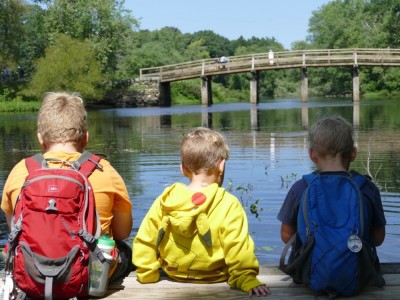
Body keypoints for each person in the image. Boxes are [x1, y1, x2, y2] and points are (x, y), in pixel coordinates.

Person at [1, 91, 134, 282]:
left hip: (32, 275)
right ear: (86, 137)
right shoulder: (106, 171)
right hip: (89, 278)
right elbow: (122, 232)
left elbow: (14, 227)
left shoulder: (19, 171)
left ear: (41, 138)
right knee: (125, 250)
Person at [132, 127, 271, 297]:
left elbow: (146, 239)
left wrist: (147, 273)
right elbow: (238, 247)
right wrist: (247, 279)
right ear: (221, 165)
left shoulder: (165, 201)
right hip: (216, 276)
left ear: (182, 168)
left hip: (174, 274)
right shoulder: (228, 203)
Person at [277, 116, 386, 258]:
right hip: (359, 276)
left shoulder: (301, 187)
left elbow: (286, 236)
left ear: (312, 154)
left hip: (308, 275)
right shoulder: (366, 188)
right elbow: (378, 238)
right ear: (353, 153)